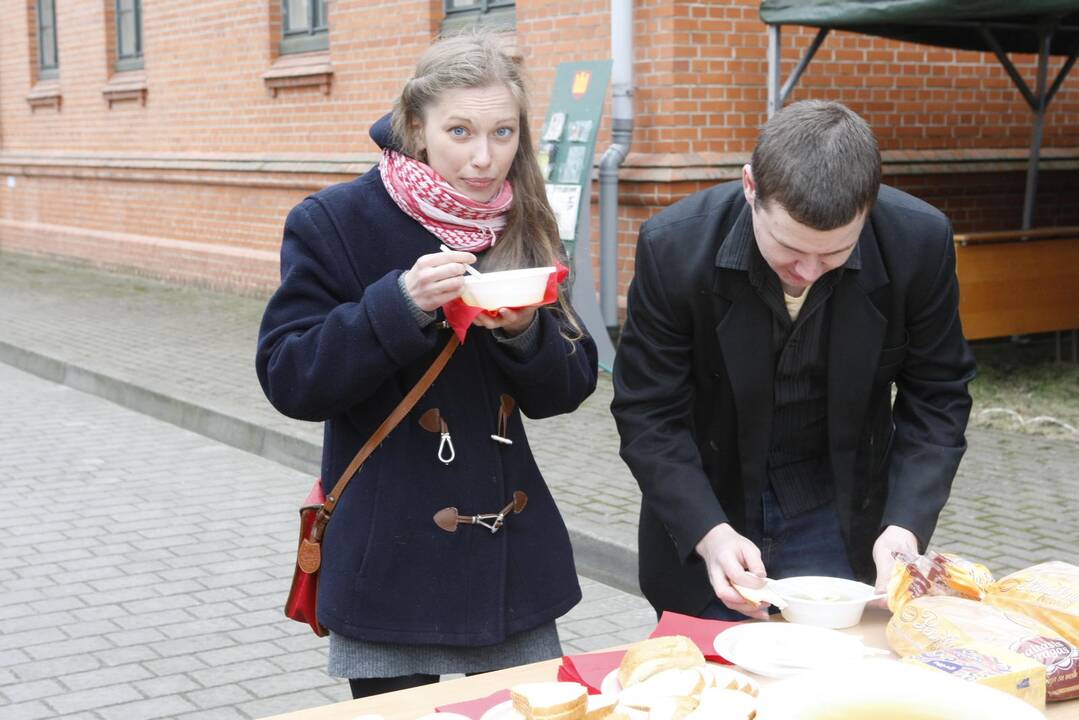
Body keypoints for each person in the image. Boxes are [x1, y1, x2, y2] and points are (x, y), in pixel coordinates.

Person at [256, 33, 597, 698]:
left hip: (508, 560)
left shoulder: (526, 220)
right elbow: (288, 375)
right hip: (390, 556)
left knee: (536, 710)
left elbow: (569, 386)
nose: (482, 157)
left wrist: (526, 332)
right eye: (460, 131)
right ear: (416, 126)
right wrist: (401, 305)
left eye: (502, 133)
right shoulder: (334, 220)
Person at [610, 100, 976, 621]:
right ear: (750, 187)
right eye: (787, 248)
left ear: (868, 210)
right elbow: (648, 413)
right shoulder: (674, 248)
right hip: (713, 504)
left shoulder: (919, 241)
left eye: (834, 254)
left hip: (843, 514)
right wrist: (709, 535)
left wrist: (905, 525)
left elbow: (938, 394)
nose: (806, 270)